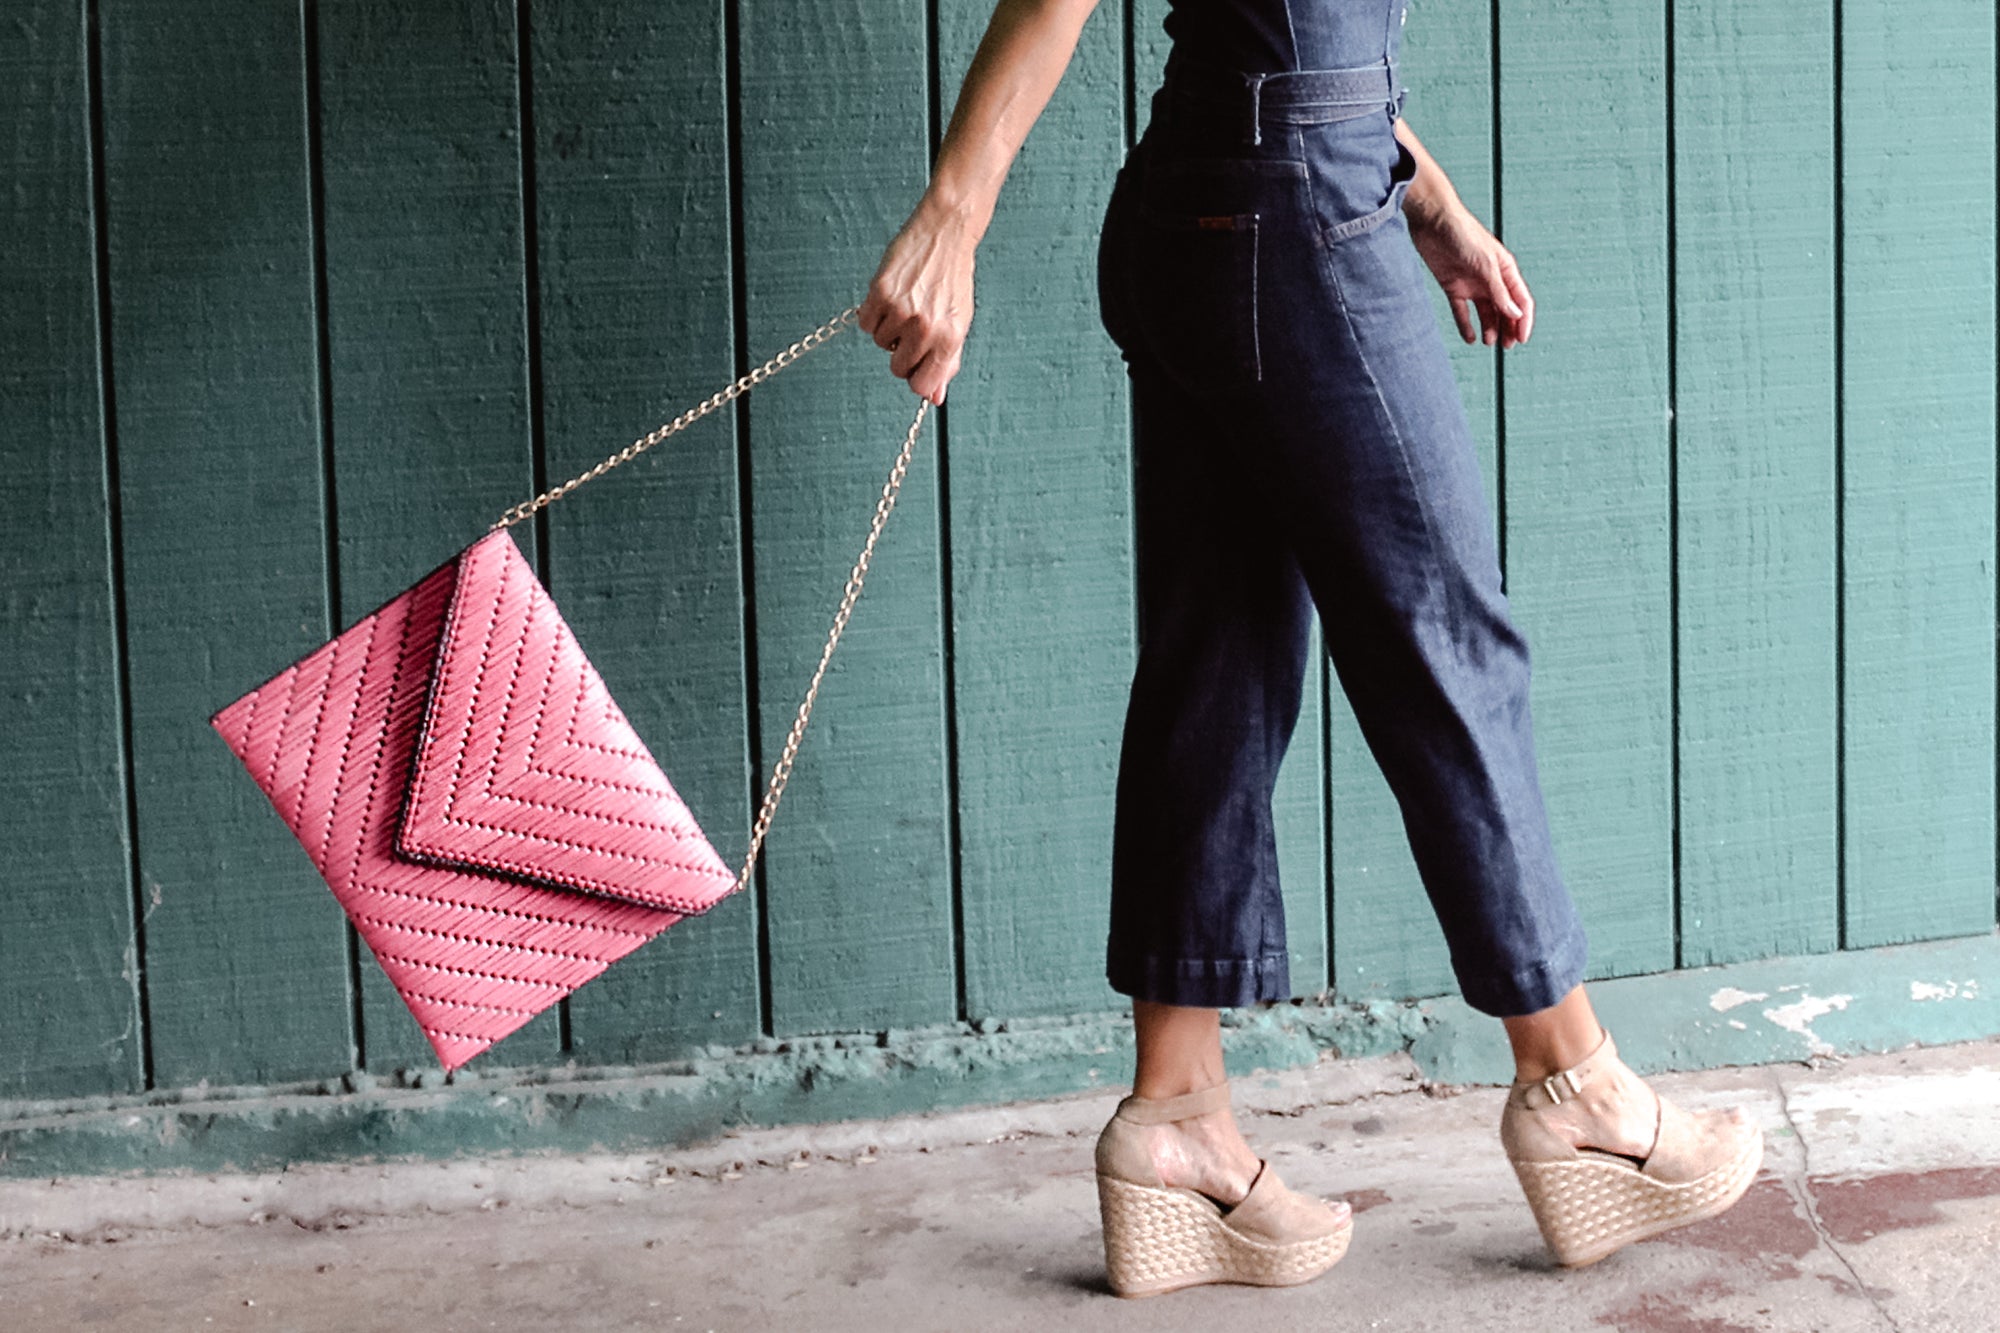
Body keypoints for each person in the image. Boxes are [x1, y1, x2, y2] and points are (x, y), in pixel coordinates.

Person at [859, 0, 1762, 1295]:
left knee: (1216, 659)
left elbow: (1274, 41)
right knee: (1445, 634)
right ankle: (1578, 1087)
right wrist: (957, 209)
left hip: (1225, 202)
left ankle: (1176, 1115)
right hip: (1294, 219)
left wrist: (1426, 196)